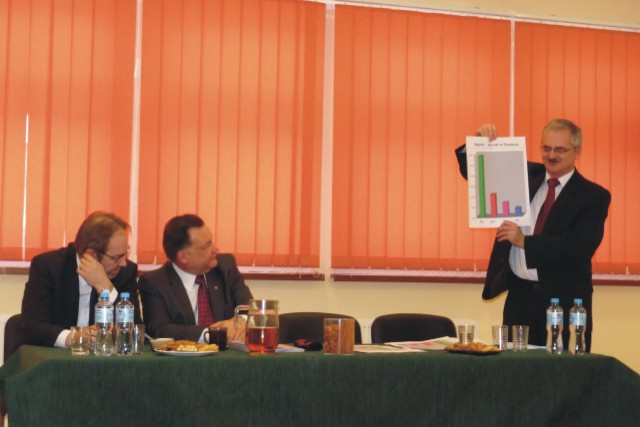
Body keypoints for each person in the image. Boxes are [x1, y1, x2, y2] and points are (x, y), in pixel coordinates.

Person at [455, 118, 611, 351]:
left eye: (560, 150)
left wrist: (524, 242)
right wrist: (478, 144)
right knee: (514, 368)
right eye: (546, 148)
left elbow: (579, 247)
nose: (551, 155)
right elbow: (478, 174)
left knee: (562, 370)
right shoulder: (526, 175)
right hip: (520, 297)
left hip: (564, 301)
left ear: (577, 151)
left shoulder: (593, 196)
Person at [21, 211, 140, 348]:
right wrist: (73, 337)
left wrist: (105, 286)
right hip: (55, 357)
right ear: (91, 255)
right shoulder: (49, 267)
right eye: (116, 257)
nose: (123, 263)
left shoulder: (125, 272)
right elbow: (32, 327)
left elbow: (136, 330)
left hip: (102, 358)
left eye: (125, 253)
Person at [139, 214, 252, 342]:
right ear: (183, 256)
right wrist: (213, 334)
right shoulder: (155, 282)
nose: (216, 249)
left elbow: (250, 307)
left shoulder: (226, 267)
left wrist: (241, 321)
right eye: (206, 246)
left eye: (211, 241)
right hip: (187, 354)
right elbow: (160, 329)